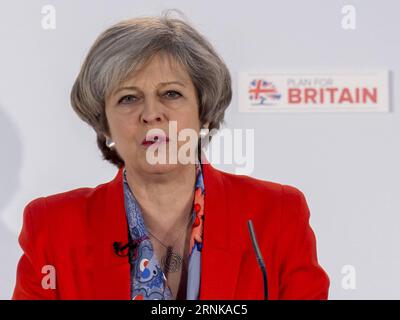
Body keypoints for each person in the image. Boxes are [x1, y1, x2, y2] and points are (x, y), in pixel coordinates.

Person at [12, 13, 329, 300]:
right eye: (128, 98)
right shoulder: (52, 226)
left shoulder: (278, 214)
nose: (151, 113)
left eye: (171, 94)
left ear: (203, 113)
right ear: (104, 124)